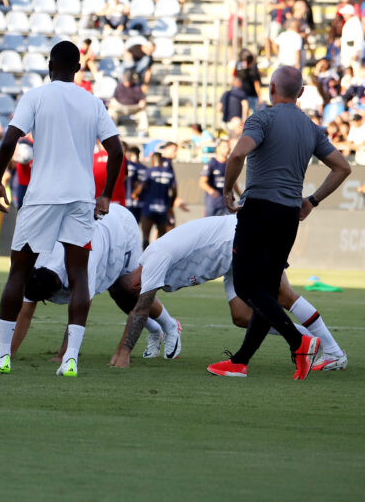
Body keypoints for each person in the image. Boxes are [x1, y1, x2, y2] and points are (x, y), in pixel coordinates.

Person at [0, 41, 122, 377]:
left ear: (50, 64)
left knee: (18, 273)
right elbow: (116, 151)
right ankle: (71, 357)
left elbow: (9, 141)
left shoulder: (36, 96)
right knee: (78, 277)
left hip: (42, 196)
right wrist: (104, 195)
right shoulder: (93, 102)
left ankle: (3, 356)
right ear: (77, 68)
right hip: (80, 198)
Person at [208, 66, 351, 379]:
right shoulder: (310, 127)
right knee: (268, 292)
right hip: (288, 216)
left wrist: (227, 190)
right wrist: (311, 201)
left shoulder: (263, 118)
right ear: (300, 93)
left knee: (246, 286)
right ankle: (241, 361)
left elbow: (236, 156)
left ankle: (299, 342)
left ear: (272, 88)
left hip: (259, 210)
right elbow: (342, 167)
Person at [111, 215, 346, 371]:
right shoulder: (147, 265)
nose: (147, 299)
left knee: (283, 295)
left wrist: (124, 351)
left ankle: (333, 352)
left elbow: (140, 310)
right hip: (228, 260)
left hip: (239, 237)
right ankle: (309, 340)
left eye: (140, 295)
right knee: (242, 316)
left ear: (136, 287)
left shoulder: (154, 261)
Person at [10, 204, 145, 359]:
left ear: (55, 292)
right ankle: (158, 329)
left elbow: (81, 312)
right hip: (90, 229)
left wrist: (63, 355)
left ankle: (169, 326)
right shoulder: (40, 260)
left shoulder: (84, 265)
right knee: (121, 292)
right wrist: (9, 352)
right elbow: (25, 312)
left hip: (120, 226)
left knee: (130, 289)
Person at [134, 151, 176, 248]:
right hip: (163, 209)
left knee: (145, 238)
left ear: (152, 160)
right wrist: (170, 205)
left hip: (149, 208)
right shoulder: (169, 173)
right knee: (161, 239)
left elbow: (141, 186)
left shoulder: (149, 171)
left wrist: (135, 193)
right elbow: (174, 191)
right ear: (161, 160)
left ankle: (145, 259)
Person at [199, 138, 230, 217]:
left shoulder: (230, 164)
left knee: (229, 226)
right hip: (213, 203)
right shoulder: (211, 163)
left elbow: (233, 182)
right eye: (224, 147)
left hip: (227, 203)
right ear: (218, 148)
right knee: (209, 226)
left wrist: (240, 194)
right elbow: (202, 182)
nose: (227, 149)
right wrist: (211, 190)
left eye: (228, 147)